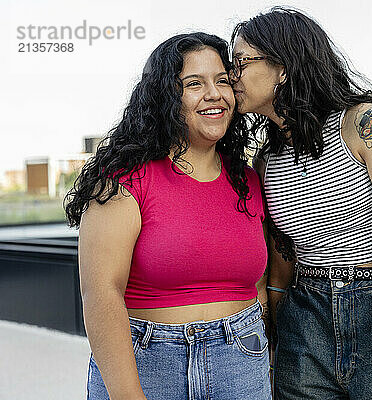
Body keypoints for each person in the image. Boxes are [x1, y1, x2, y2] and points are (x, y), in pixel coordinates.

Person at [229, 7, 372, 400]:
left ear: (283, 67)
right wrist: (271, 338)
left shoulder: (362, 125)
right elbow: (282, 263)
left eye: (241, 62)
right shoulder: (265, 160)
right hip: (304, 320)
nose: (231, 75)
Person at [64, 32, 270, 400]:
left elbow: (258, 288)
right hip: (149, 365)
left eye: (223, 80)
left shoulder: (250, 180)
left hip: (242, 365)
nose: (214, 94)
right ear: (166, 98)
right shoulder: (123, 181)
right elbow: (101, 294)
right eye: (194, 84)